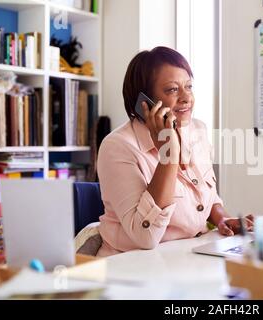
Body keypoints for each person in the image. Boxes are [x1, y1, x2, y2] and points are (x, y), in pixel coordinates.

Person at [96, 46, 253, 256]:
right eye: (172, 89)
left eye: (189, 86)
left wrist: (221, 217)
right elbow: (145, 237)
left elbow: (207, 196)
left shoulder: (197, 130)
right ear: (144, 102)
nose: (186, 97)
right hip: (134, 266)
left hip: (189, 257)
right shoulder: (117, 147)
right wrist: (168, 157)